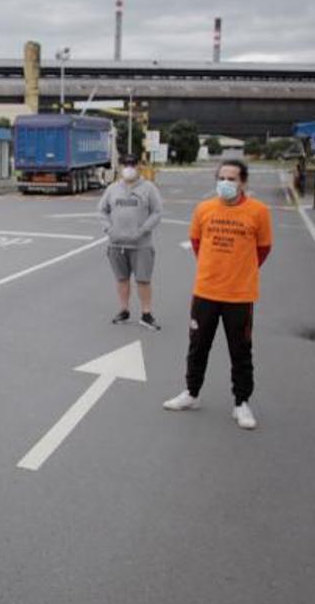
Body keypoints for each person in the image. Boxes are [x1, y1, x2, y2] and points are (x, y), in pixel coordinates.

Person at [163, 159, 272, 430]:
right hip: (205, 292)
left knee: (241, 351)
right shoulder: (204, 209)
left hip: (239, 295)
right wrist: (214, 269)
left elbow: (263, 249)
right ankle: (191, 393)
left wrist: (240, 269)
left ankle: (241, 403)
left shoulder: (258, 212)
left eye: (232, 179)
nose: (226, 183)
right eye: (222, 178)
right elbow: (198, 243)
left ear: (243, 182)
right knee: (198, 346)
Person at [98, 152, 163, 331]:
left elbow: (157, 212)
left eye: (133, 164)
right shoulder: (112, 188)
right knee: (122, 279)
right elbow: (102, 210)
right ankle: (124, 310)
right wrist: (108, 229)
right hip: (116, 244)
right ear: (120, 167)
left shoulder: (148, 188)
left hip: (141, 244)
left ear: (138, 166)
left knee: (143, 280)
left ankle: (146, 313)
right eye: (126, 164)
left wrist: (143, 230)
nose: (129, 168)